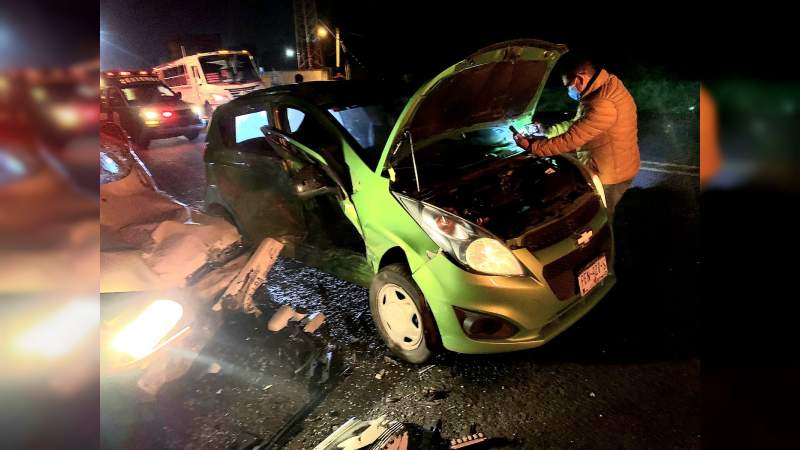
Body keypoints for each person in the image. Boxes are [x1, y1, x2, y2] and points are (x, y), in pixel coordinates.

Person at [514, 54, 639, 217]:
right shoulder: (604, 89)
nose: (569, 90)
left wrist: (533, 147)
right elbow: (580, 125)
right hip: (620, 165)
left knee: (602, 216)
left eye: (568, 85)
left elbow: (571, 139)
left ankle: (605, 240)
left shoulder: (603, 104)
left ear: (580, 78)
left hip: (610, 175)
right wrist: (548, 131)